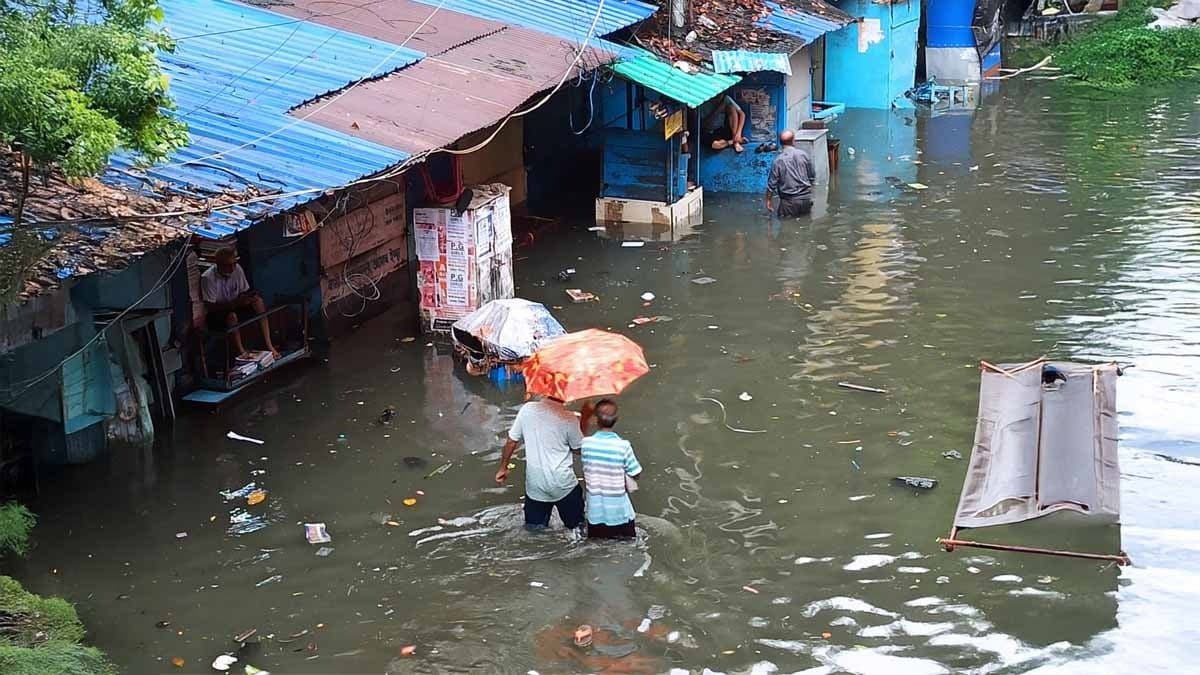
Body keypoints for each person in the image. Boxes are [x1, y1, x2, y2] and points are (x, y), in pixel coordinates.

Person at [495, 396, 589, 531]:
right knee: (577, 528)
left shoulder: (527, 410)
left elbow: (511, 441)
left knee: (534, 531)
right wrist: (584, 420)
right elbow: (579, 449)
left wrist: (503, 468)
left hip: (536, 486)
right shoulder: (569, 419)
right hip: (563, 485)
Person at [580, 399, 643, 539]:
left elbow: (581, 437)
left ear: (595, 420)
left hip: (595, 514)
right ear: (616, 419)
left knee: (597, 545)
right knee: (627, 545)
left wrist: (585, 417)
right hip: (620, 513)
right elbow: (636, 473)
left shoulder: (586, 444)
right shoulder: (623, 446)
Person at [201, 247, 279, 358]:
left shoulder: (237, 269)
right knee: (232, 317)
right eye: (228, 265)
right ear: (218, 264)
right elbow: (210, 307)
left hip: (236, 305)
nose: (232, 268)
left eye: (234, 264)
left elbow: (243, 291)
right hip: (218, 313)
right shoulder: (208, 278)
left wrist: (247, 298)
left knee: (258, 302)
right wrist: (234, 304)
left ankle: (268, 344)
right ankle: (241, 352)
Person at [765, 130, 816, 218]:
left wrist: (768, 200)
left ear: (780, 143)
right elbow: (812, 176)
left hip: (789, 202)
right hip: (806, 200)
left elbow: (771, 185)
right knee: (806, 223)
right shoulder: (804, 155)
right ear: (793, 141)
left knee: (786, 224)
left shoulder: (778, 161)